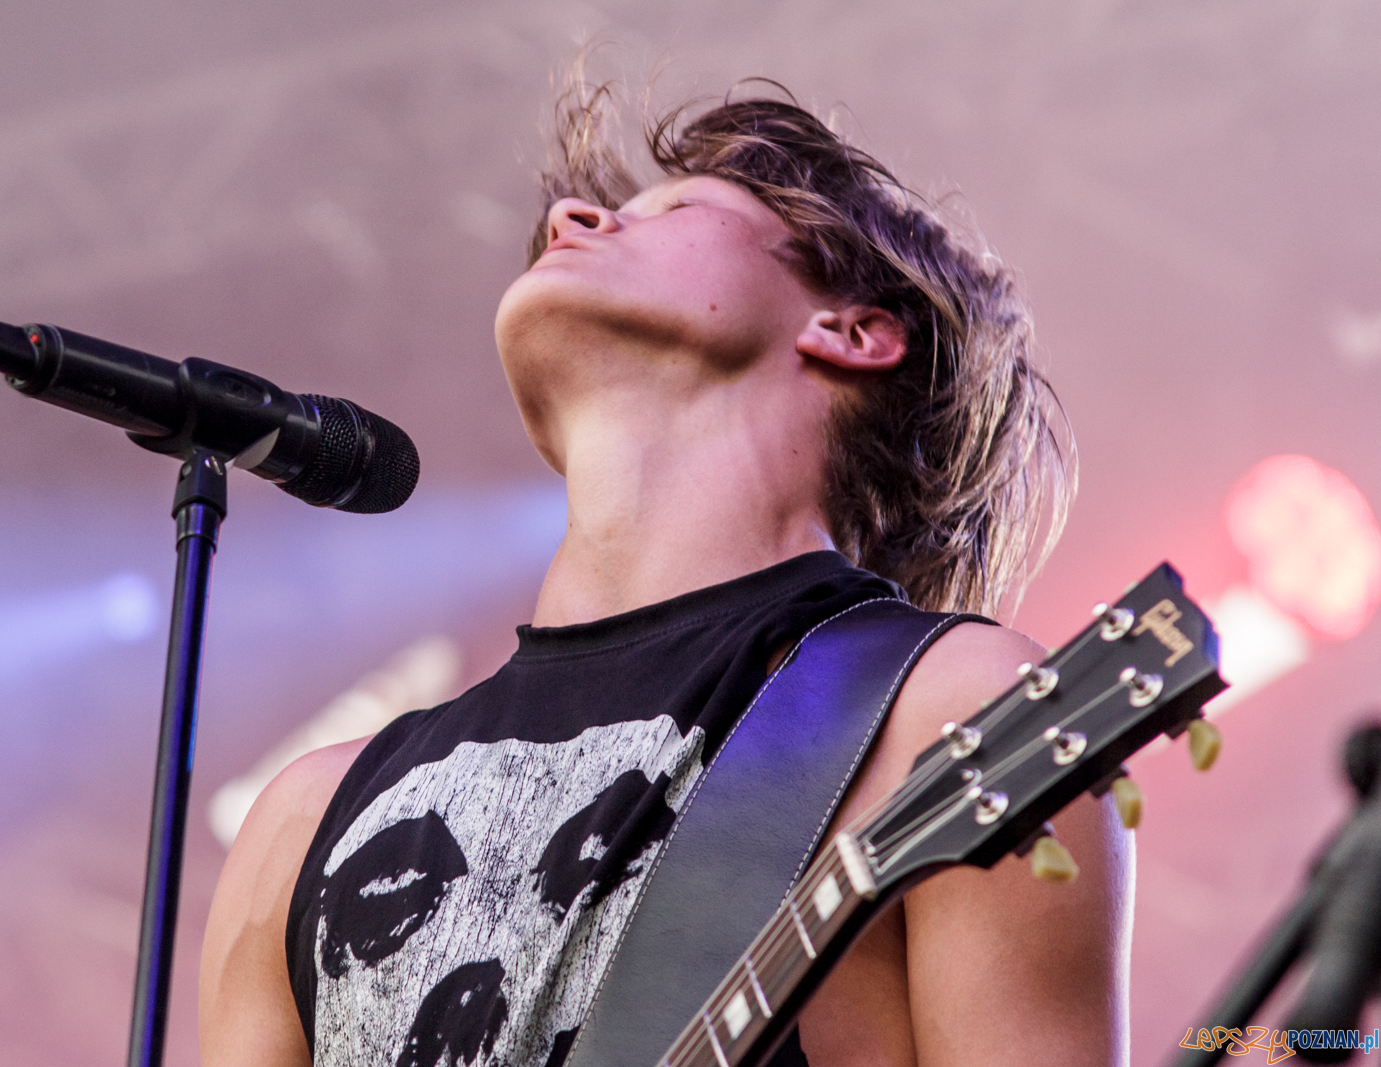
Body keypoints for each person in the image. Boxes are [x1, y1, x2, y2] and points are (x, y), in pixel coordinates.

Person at [200, 72, 1126, 1067]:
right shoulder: (306, 817)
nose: (571, 215)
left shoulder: (949, 713)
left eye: (678, 209)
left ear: (852, 331)